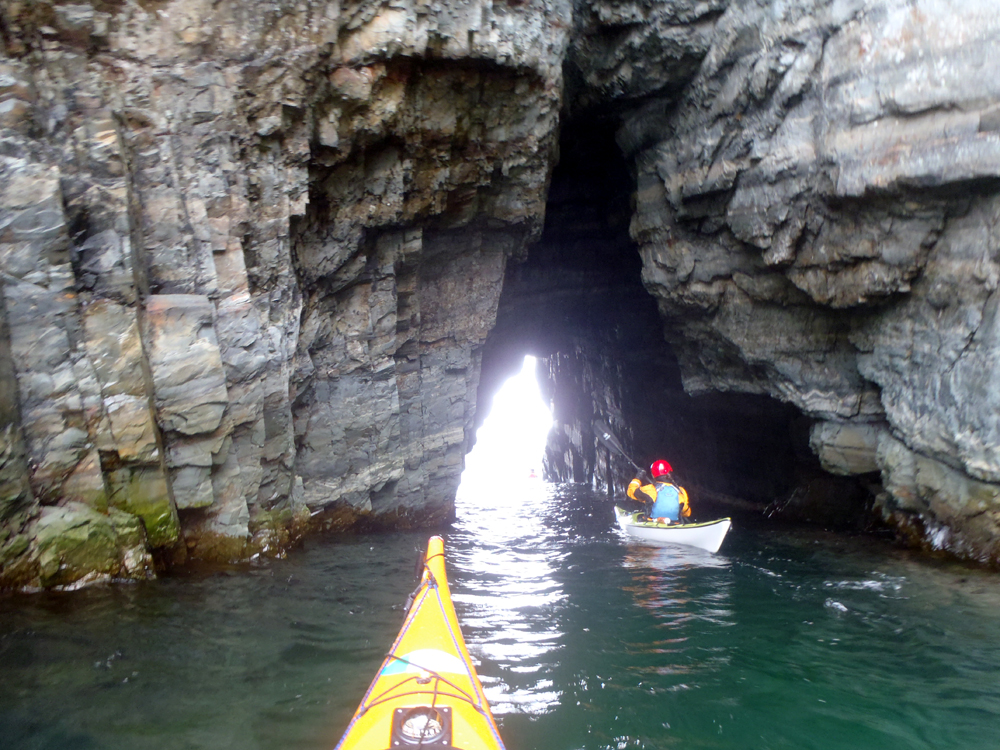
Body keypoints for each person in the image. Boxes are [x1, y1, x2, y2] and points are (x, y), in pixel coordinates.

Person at [627, 459, 691, 524]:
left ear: (653, 475)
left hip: (652, 523)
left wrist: (638, 477)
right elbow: (687, 513)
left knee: (640, 517)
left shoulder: (650, 489)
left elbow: (631, 491)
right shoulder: (680, 491)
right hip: (674, 524)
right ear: (669, 473)